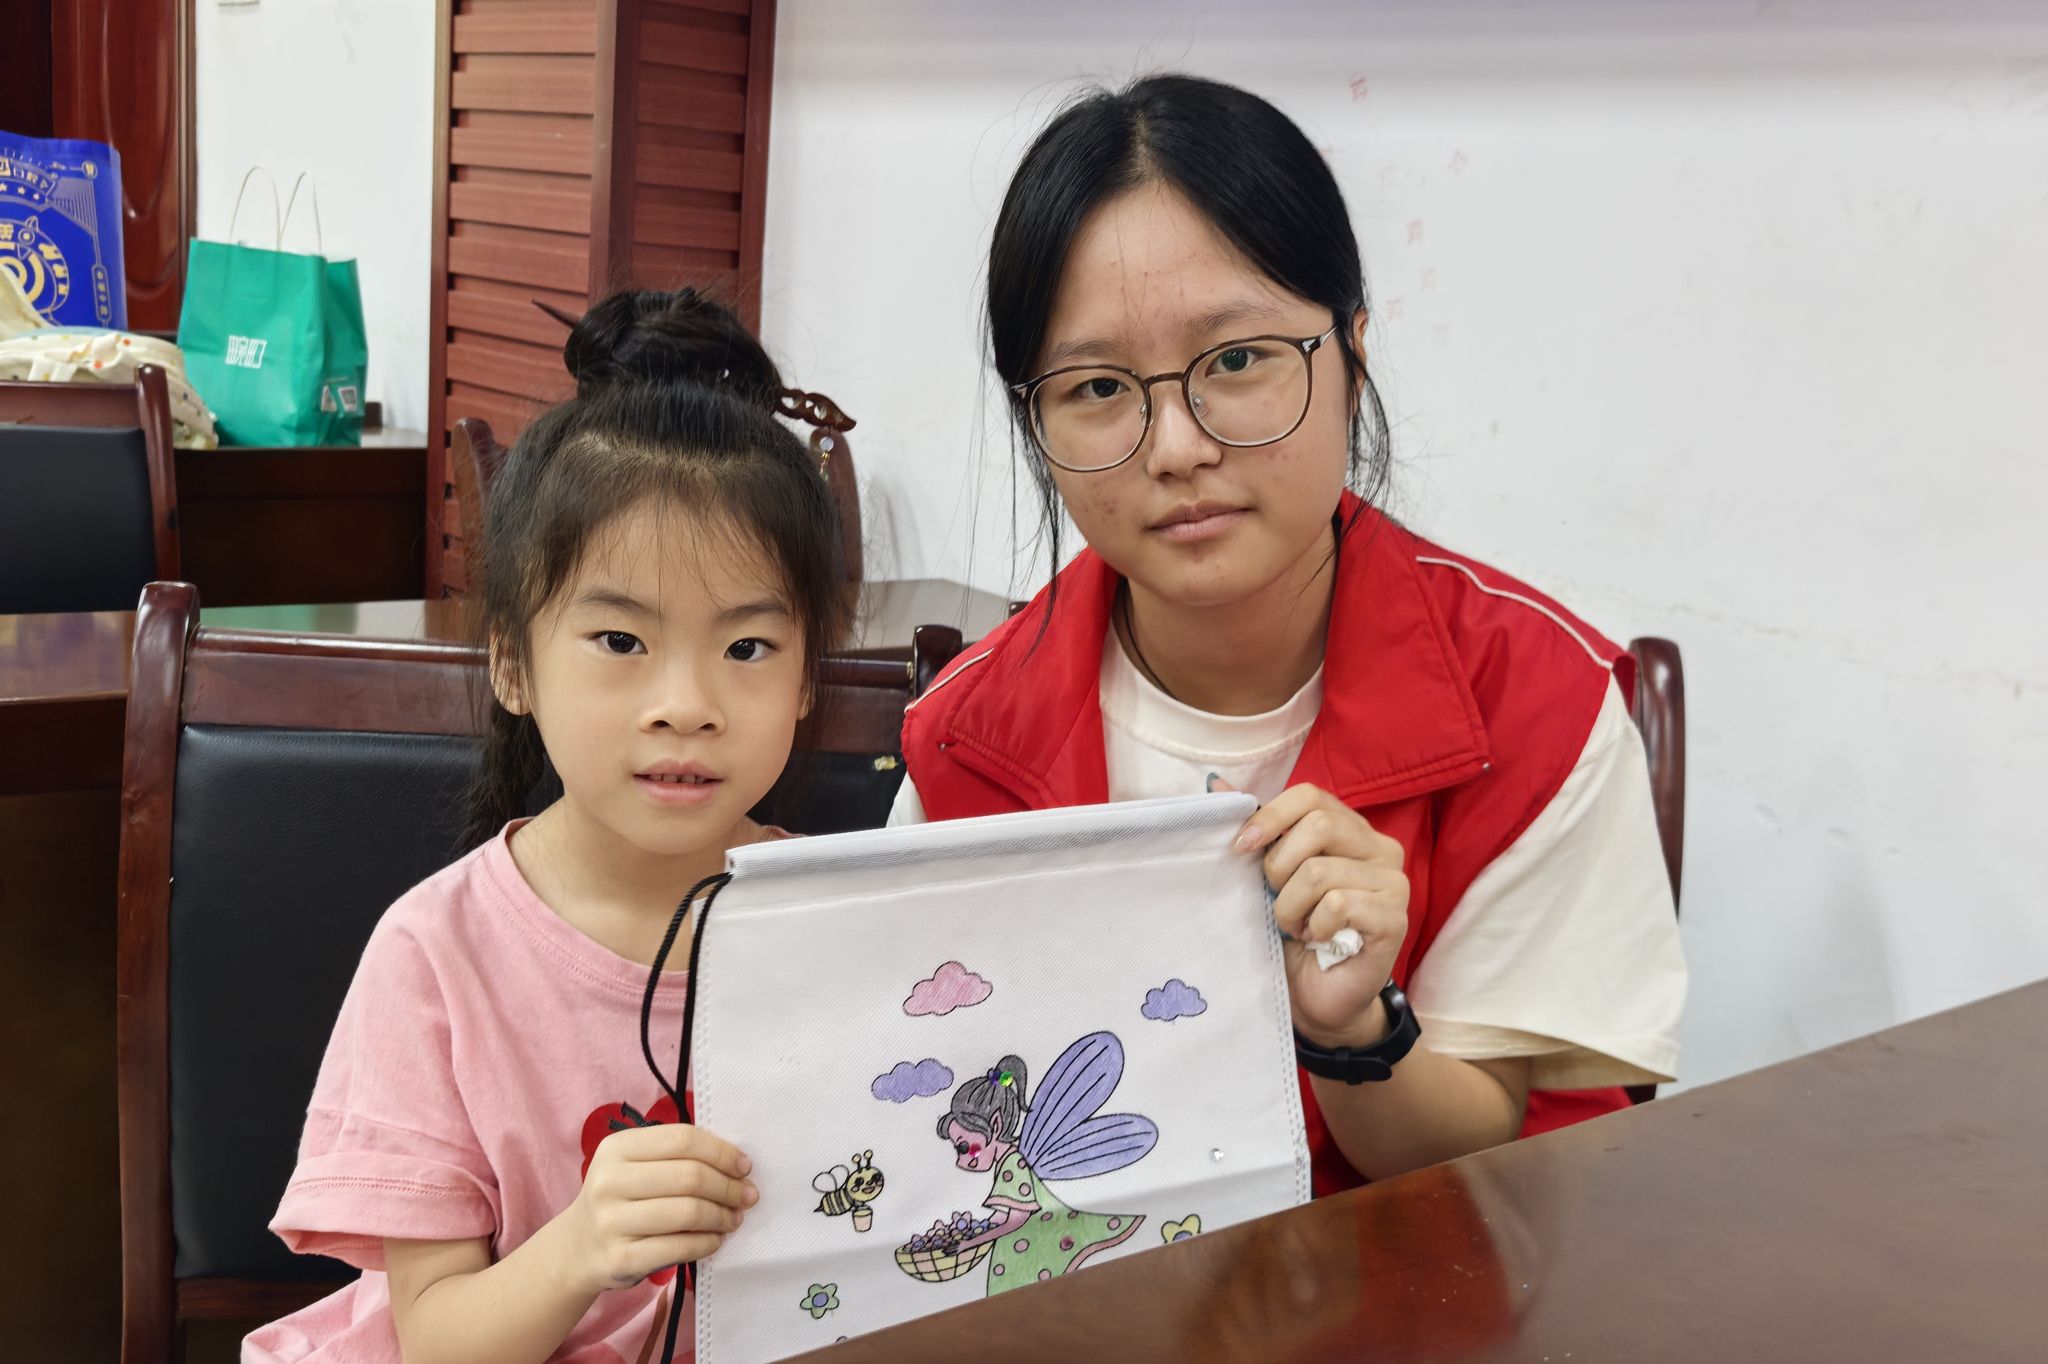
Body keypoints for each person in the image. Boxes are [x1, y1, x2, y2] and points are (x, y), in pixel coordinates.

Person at [895, 74, 1687, 1195]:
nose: (1175, 447)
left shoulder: (1535, 704)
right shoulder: (964, 732)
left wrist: (1353, 1028)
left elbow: (1514, 1182)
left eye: (1235, 361)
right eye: (1098, 386)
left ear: (1351, 355)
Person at [245, 288, 849, 1363]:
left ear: (806, 678)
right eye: (620, 641)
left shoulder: (849, 922)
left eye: (747, 648)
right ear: (513, 664)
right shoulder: (437, 954)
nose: (686, 704)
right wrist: (583, 1245)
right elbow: (437, 1340)